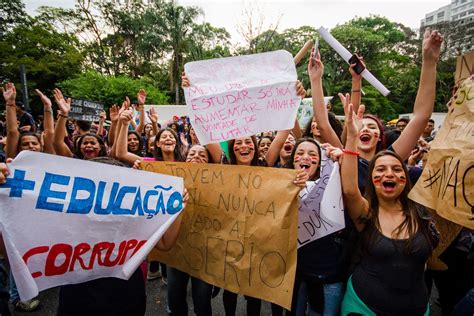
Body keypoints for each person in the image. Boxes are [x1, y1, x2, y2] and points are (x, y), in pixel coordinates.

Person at [339, 96, 439, 315]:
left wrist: (430, 62)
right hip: (362, 308)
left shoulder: (421, 213)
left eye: (396, 169)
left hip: (418, 308)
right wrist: (352, 136)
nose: (389, 173)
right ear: (372, 180)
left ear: (406, 177)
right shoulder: (365, 212)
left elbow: (421, 115)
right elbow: (349, 189)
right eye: (380, 170)